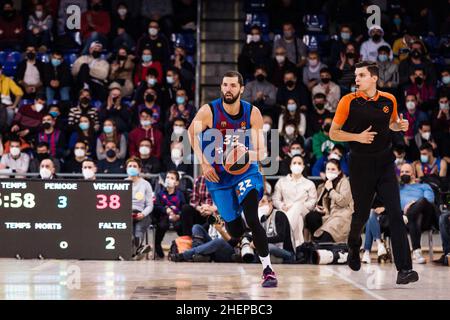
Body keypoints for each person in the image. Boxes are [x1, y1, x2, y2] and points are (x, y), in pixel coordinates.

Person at [329, 61, 418, 285]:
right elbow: (334, 133)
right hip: (360, 163)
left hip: (386, 163)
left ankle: (405, 270)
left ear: (374, 78)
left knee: (396, 214)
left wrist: (401, 126)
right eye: (356, 76)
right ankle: (353, 247)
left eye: (361, 75)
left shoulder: (389, 100)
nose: (356, 79)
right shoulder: (348, 101)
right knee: (360, 215)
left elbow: (393, 124)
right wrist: (356, 137)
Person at [188, 71, 277, 287]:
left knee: (252, 217)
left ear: (241, 89)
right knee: (235, 229)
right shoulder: (209, 111)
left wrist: (245, 154)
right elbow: (191, 133)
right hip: (218, 176)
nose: (228, 89)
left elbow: (263, 153)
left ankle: (268, 270)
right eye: (225, 85)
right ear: (221, 87)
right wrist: (204, 163)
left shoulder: (252, 113)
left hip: (246, 171)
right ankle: (243, 235)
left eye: (233, 85)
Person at [272, 155, 317, 247]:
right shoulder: (282, 181)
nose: (297, 165)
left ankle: (282, 237)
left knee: (298, 205)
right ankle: (297, 247)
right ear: (290, 166)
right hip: (285, 210)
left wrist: (298, 206)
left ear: (303, 166)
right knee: (298, 220)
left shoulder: (309, 184)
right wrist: (282, 206)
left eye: (299, 163)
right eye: (294, 163)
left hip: (304, 210)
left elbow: (312, 202)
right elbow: (275, 199)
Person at [304, 159, 353, 243]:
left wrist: (330, 190)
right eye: (328, 169)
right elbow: (319, 203)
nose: (330, 171)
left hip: (340, 216)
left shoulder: (344, 182)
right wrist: (320, 209)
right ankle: (316, 242)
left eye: (333, 169)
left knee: (325, 238)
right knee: (311, 216)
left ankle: (323, 244)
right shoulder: (322, 186)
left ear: (339, 171)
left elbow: (343, 202)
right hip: (327, 216)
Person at [399, 163, 437, 264]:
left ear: (413, 174)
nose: (404, 174)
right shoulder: (398, 189)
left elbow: (429, 200)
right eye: (402, 172)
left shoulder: (423, 186)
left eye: (407, 172)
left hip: (426, 218)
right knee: (415, 216)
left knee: (423, 201)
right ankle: (416, 252)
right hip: (407, 221)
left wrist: (412, 204)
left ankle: (416, 252)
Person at [152, 170, 187, 258]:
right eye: (167, 177)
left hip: (177, 218)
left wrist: (178, 215)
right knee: (161, 226)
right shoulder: (160, 193)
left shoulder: (180, 194)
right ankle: (158, 251)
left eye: (172, 178)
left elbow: (184, 207)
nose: (168, 180)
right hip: (164, 217)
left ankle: (184, 248)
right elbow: (157, 206)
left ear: (176, 182)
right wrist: (165, 209)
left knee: (181, 227)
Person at [125, 157, 153, 260]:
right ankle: (138, 250)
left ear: (139, 169)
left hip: (142, 213)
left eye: (134, 166)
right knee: (130, 234)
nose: (132, 168)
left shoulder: (146, 184)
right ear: (126, 168)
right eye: (130, 166)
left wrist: (143, 214)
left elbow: (150, 205)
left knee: (138, 231)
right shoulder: (123, 183)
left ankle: (137, 250)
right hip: (126, 214)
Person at [258, 194, 295, 263]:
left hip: (286, 251)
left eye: (263, 202)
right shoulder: (261, 218)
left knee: (267, 247)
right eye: (258, 202)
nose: (260, 205)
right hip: (270, 248)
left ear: (270, 203)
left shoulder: (279, 215)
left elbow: (281, 237)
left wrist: (260, 241)